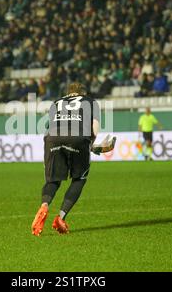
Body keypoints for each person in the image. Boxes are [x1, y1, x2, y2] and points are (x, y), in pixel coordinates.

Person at [31, 82, 100, 236]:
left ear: (68, 93)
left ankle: (44, 205)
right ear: (82, 92)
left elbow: (51, 125)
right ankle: (60, 218)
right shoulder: (90, 102)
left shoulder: (56, 103)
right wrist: (90, 144)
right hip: (77, 138)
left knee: (53, 180)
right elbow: (94, 128)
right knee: (79, 178)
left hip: (52, 139)